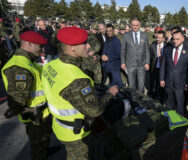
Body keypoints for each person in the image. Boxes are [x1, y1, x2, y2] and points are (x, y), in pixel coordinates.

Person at [42, 26, 119, 160]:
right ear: (72, 47)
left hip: (60, 127)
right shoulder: (77, 79)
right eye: (84, 43)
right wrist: (110, 94)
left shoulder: (50, 65)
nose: (88, 46)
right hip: (76, 134)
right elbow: (94, 111)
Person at [1, 31, 53, 160]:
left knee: (43, 140)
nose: (42, 49)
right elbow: (17, 101)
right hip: (35, 117)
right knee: (37, 148)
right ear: (29, 44)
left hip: (41, 114)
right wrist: (32, 112)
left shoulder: (27, 60)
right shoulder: (20, 67)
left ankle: (45, 150)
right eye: (39, 46)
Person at [160, 30, 188, 115]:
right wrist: (161, 79)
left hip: (181, 84)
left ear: (182, 39)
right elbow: (163, 65)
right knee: (168, 105)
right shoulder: (167, 50)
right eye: (174, 39)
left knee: (180, 105)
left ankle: (180, 125)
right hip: (168, 82)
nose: (175, 41)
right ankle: (170, 122)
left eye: (177, 39)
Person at [121, 18, 150, 93]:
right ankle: (133, 101)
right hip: (130, 65)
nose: (135, 27)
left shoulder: (144, 35)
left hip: (142, 64)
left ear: (139, 25)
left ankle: (141, 102)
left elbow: (147, 50)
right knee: (132, 85)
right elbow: (123, 50)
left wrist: (147, 62)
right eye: (133, 25)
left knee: (141, 85)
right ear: (131, 25)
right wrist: (123, 62)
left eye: (136, 25)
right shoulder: (126, 36)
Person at [149, 31, 166, 103]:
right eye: (157, 37)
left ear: (164, 39)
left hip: (163, 69)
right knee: (153, 84)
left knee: (162, 85)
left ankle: (161, 99)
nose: (157, 39)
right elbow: (150, 56)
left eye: (159, 38)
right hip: (154, 68)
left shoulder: (167, 46)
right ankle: (153, 97)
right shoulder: (153, 45)